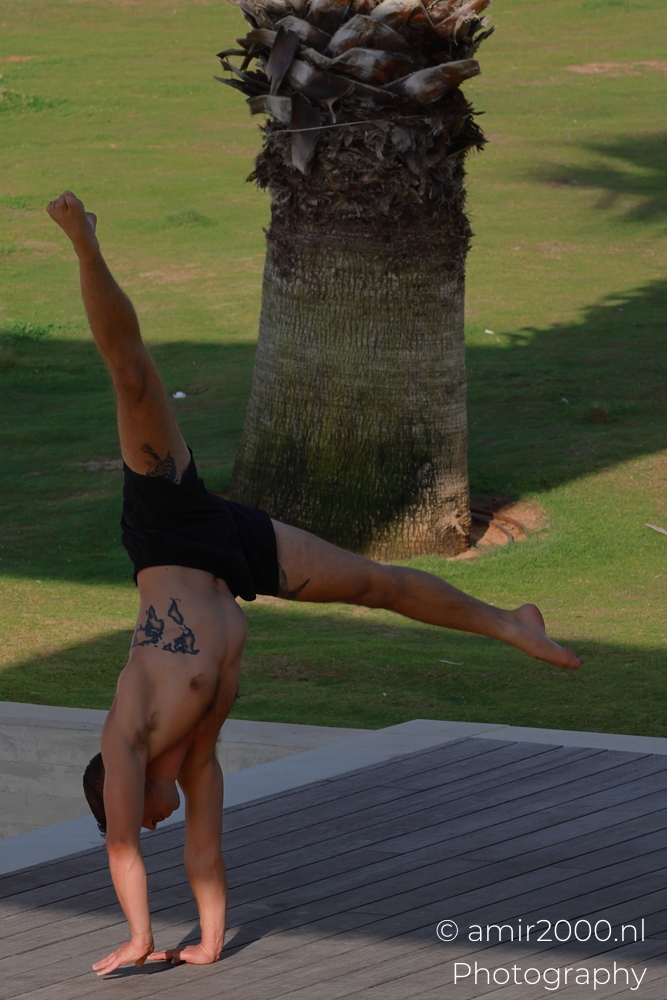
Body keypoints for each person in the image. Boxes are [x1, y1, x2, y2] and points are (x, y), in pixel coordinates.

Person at [46, 190, 582, 977]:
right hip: (231, 558)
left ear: (115, 791)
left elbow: (122, 846)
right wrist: (209, 939)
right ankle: (512, 621)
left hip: (168, 531)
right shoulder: (195, 756)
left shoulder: (123, 742)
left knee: (131, 377)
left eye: (138, 817)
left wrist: (136, 937)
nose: (153, 825)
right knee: (373, 585)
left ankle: (84, 242)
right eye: (152, 819)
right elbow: (205, 845)